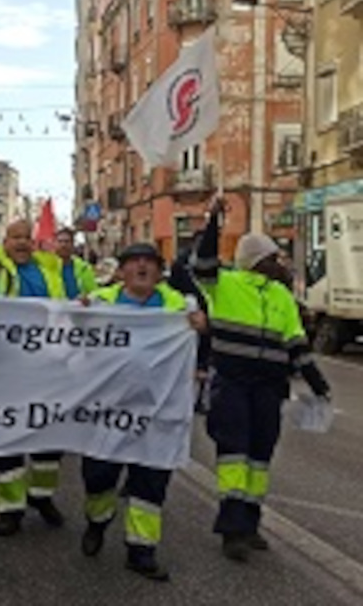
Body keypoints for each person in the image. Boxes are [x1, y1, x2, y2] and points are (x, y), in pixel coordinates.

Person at [193, 198, 331, 562]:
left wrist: (317, 382)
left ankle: (250, 523)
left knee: (259, 457)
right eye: (275, 257)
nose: (281, 263)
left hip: (270, 388)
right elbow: (202, 262)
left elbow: (295, 342)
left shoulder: (282, 296)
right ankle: (231, 529)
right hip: (232, 385)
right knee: (234, 455)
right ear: (258, 260)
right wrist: (213, 221)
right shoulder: (224, 283)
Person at [80, 243, 206, 582]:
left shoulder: (180, 304)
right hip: (107, 410)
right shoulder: (98, 301)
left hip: (158, 412)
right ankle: (97, 521)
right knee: (99, 477)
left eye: (149, 262)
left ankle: (141, 551)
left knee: (150, 484)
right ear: (120, 271)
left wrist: (201, 327)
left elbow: (204, 341)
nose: (141, 267)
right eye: (133, 261)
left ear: (159, 271)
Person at [0, 220, 67, 537]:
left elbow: (64, 314)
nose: (21, 243)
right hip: (5, 369)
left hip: (45, 368)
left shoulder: (50, 275)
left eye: (26, 238)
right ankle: (11, 509)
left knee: (49, 441)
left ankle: (41, 496)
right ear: (4, 241)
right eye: (15, 237)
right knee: (10, 439)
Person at [168, 231, 212, 414]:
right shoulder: (181, 265)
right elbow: (172, 289)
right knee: (189, 361)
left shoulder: (215, 267)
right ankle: (184, 397)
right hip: (187, 319)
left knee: (204, 362)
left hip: (208, 318)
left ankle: (200, 398)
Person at [54, 228, 98, 299]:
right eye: (60, 241)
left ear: (73, 244)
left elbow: (94, 292)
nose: (63, 245)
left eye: (67, 241)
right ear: (54, 244)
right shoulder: (47, 267)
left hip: (78, 309)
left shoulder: (84, 268)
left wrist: (87, 298)